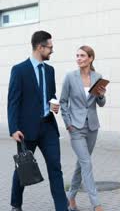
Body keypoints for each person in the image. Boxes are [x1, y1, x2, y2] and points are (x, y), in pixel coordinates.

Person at [8, 30, 68, 211]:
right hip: (26, 130)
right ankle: (16, 205)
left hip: (48, 127)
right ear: (40, 47)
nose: (52, 51)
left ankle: (61, 208)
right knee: (23, 169)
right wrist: (13, 128)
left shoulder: (50, 70)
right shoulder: (19, 70)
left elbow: (50, 95)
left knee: (55, 168)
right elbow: (13, 102)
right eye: (50, 47)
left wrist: (53, 105)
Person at [60, 45, 107, 211]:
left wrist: (101, 94)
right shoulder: (70, 77)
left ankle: (70, 198)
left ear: (90, 58)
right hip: (76, 128)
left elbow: (101, 103)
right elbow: (63, 101)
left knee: (81, 164)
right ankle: (96, 204)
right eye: (77, 55)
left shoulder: (97, 77)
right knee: (87, 163)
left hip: (92, 127)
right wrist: (68, 123)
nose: (78, 58)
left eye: (82, 56)